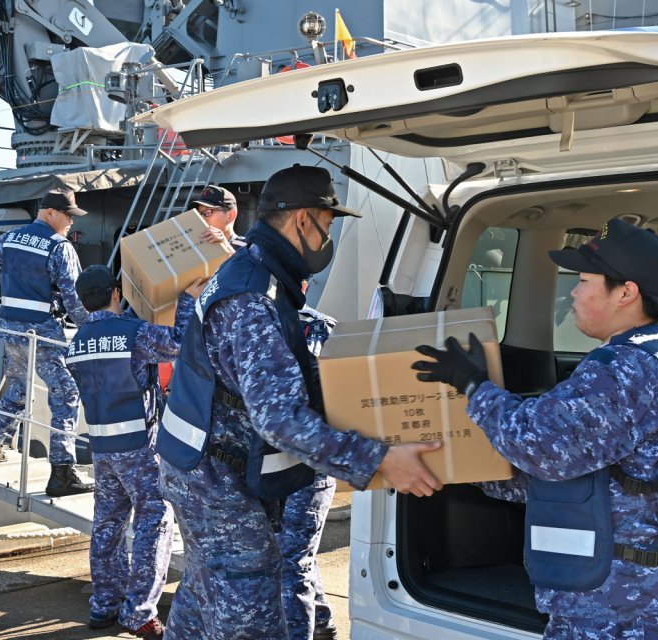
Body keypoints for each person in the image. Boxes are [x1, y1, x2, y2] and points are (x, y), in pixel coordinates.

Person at [156, 165, 443, 639]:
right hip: (214, 476)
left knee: (206, 588)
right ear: (303, 220)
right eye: (327, 225)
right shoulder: (254, 297)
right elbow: (280, 419)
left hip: (208, 465)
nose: (328, 238)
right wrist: (380, 459)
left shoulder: (255, 273)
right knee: (250, 603)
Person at [411, 218, 658, 639]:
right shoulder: (637, 357)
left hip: (628, 609)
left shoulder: (626, 369)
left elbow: (544, 449)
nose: (573, 291)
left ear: (626, 293)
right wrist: (464, 468)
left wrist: (473, 386)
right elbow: (579, 476)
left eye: (585, 281)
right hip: (624, 598)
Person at [67, 265, 206, 640]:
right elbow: (180, 342)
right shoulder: (134, 333)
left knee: (107, 525)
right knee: (153, 521)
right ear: (116, 293)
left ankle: (104, 604)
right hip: (139, 448)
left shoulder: (76, 344)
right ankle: (139, 612)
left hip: (101, 448)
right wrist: (187, 300)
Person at [0, 189, 93, 497]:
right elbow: (74, 298)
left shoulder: (10, 239)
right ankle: (62, 472)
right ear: (50, 213)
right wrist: (93, 327)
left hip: (10, 329)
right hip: (40, 333)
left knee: (18, 386)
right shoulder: (59, 247)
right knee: (66, 394)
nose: (71, 222)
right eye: (68, 216)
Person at [278, 306, 339, 640]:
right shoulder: (261, 321)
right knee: (295, 553)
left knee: (292, 562)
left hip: (311, 466)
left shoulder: (317, 328)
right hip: (276, 465)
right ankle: (323, 623)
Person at [193, 185, 244, 251]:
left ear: (230, 215)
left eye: (208, 212)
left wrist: (226, 247)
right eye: (199, 214)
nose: (201, 218)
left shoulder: (247, 248)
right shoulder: (196, 249)